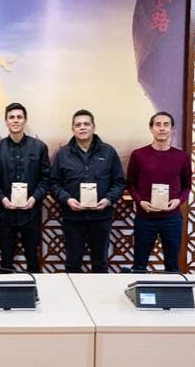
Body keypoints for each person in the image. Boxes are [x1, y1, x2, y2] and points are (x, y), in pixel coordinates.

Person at [50, 109, 125, 273]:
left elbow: (119, 182)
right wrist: (67, 199)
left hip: (101, 217)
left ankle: (99, 291)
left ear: (93, 127)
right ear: (72, 129)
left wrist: (108, 200)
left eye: (86, 124)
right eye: (78, 125)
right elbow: (54, 184)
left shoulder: (108, 152)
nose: (82, 127)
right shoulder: (62, 154)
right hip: (73, 218)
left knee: (100, 263)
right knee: (73, 263)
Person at [127, 111, 192, 272]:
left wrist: (178, 200)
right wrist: (140, 202)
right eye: (158, 125)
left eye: (166, 125)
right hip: (145, 218)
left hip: (172, 219)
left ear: (172, 129)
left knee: (172, 266)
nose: (162, 128)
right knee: (139, 265)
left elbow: (187, 186)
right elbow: (131, 184)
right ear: (151, 129)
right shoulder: (138, 155)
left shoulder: (182, 157)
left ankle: (172, 289)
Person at [0, 103, 50, 273]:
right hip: (4, 213)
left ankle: (35, 287)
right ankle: (6, 289)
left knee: (32, 258)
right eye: (11, 117)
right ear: (6, 121)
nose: (15, 121)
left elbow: (46, 179)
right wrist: (2, 198)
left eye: (19, 117)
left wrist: (34, 198)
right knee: (6, 259)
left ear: (25, 120)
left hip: (31, 213)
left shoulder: (39, 147)